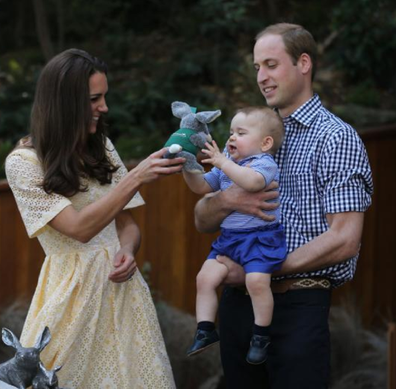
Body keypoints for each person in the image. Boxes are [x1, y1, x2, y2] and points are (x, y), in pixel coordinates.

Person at [193, 23, 373, 389]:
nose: (262, 77)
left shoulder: (336, 138)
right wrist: (227, 199)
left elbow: (344, 239)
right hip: (236, 307)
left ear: (303, 63)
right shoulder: (246, 135)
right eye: (257, 67)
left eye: (271, 65)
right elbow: (201, 217)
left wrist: (264, 270)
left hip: (297, 307)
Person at [5, 48, 184, 389]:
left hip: (122, 295)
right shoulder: (23, 163)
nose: (104, 107)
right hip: (69, 298)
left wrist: (129, 252)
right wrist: (135, 176)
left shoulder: (101, 147)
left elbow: (127, 224)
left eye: (105, 97)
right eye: (94, 99)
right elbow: (79, 229)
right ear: (64, 102)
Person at [184, 107, 287, 365]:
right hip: (230, 240)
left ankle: (261, 334)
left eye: (240, 133)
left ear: (265, 143)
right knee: (204, 277)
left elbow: (252, 183)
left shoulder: (263, 164)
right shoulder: (228, 167)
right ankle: (205, 329)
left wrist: (222, 162)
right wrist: (188, 165)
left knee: (256, 282)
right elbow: (201, 187)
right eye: (231, 132)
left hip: (260, 238)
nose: (231, 138)